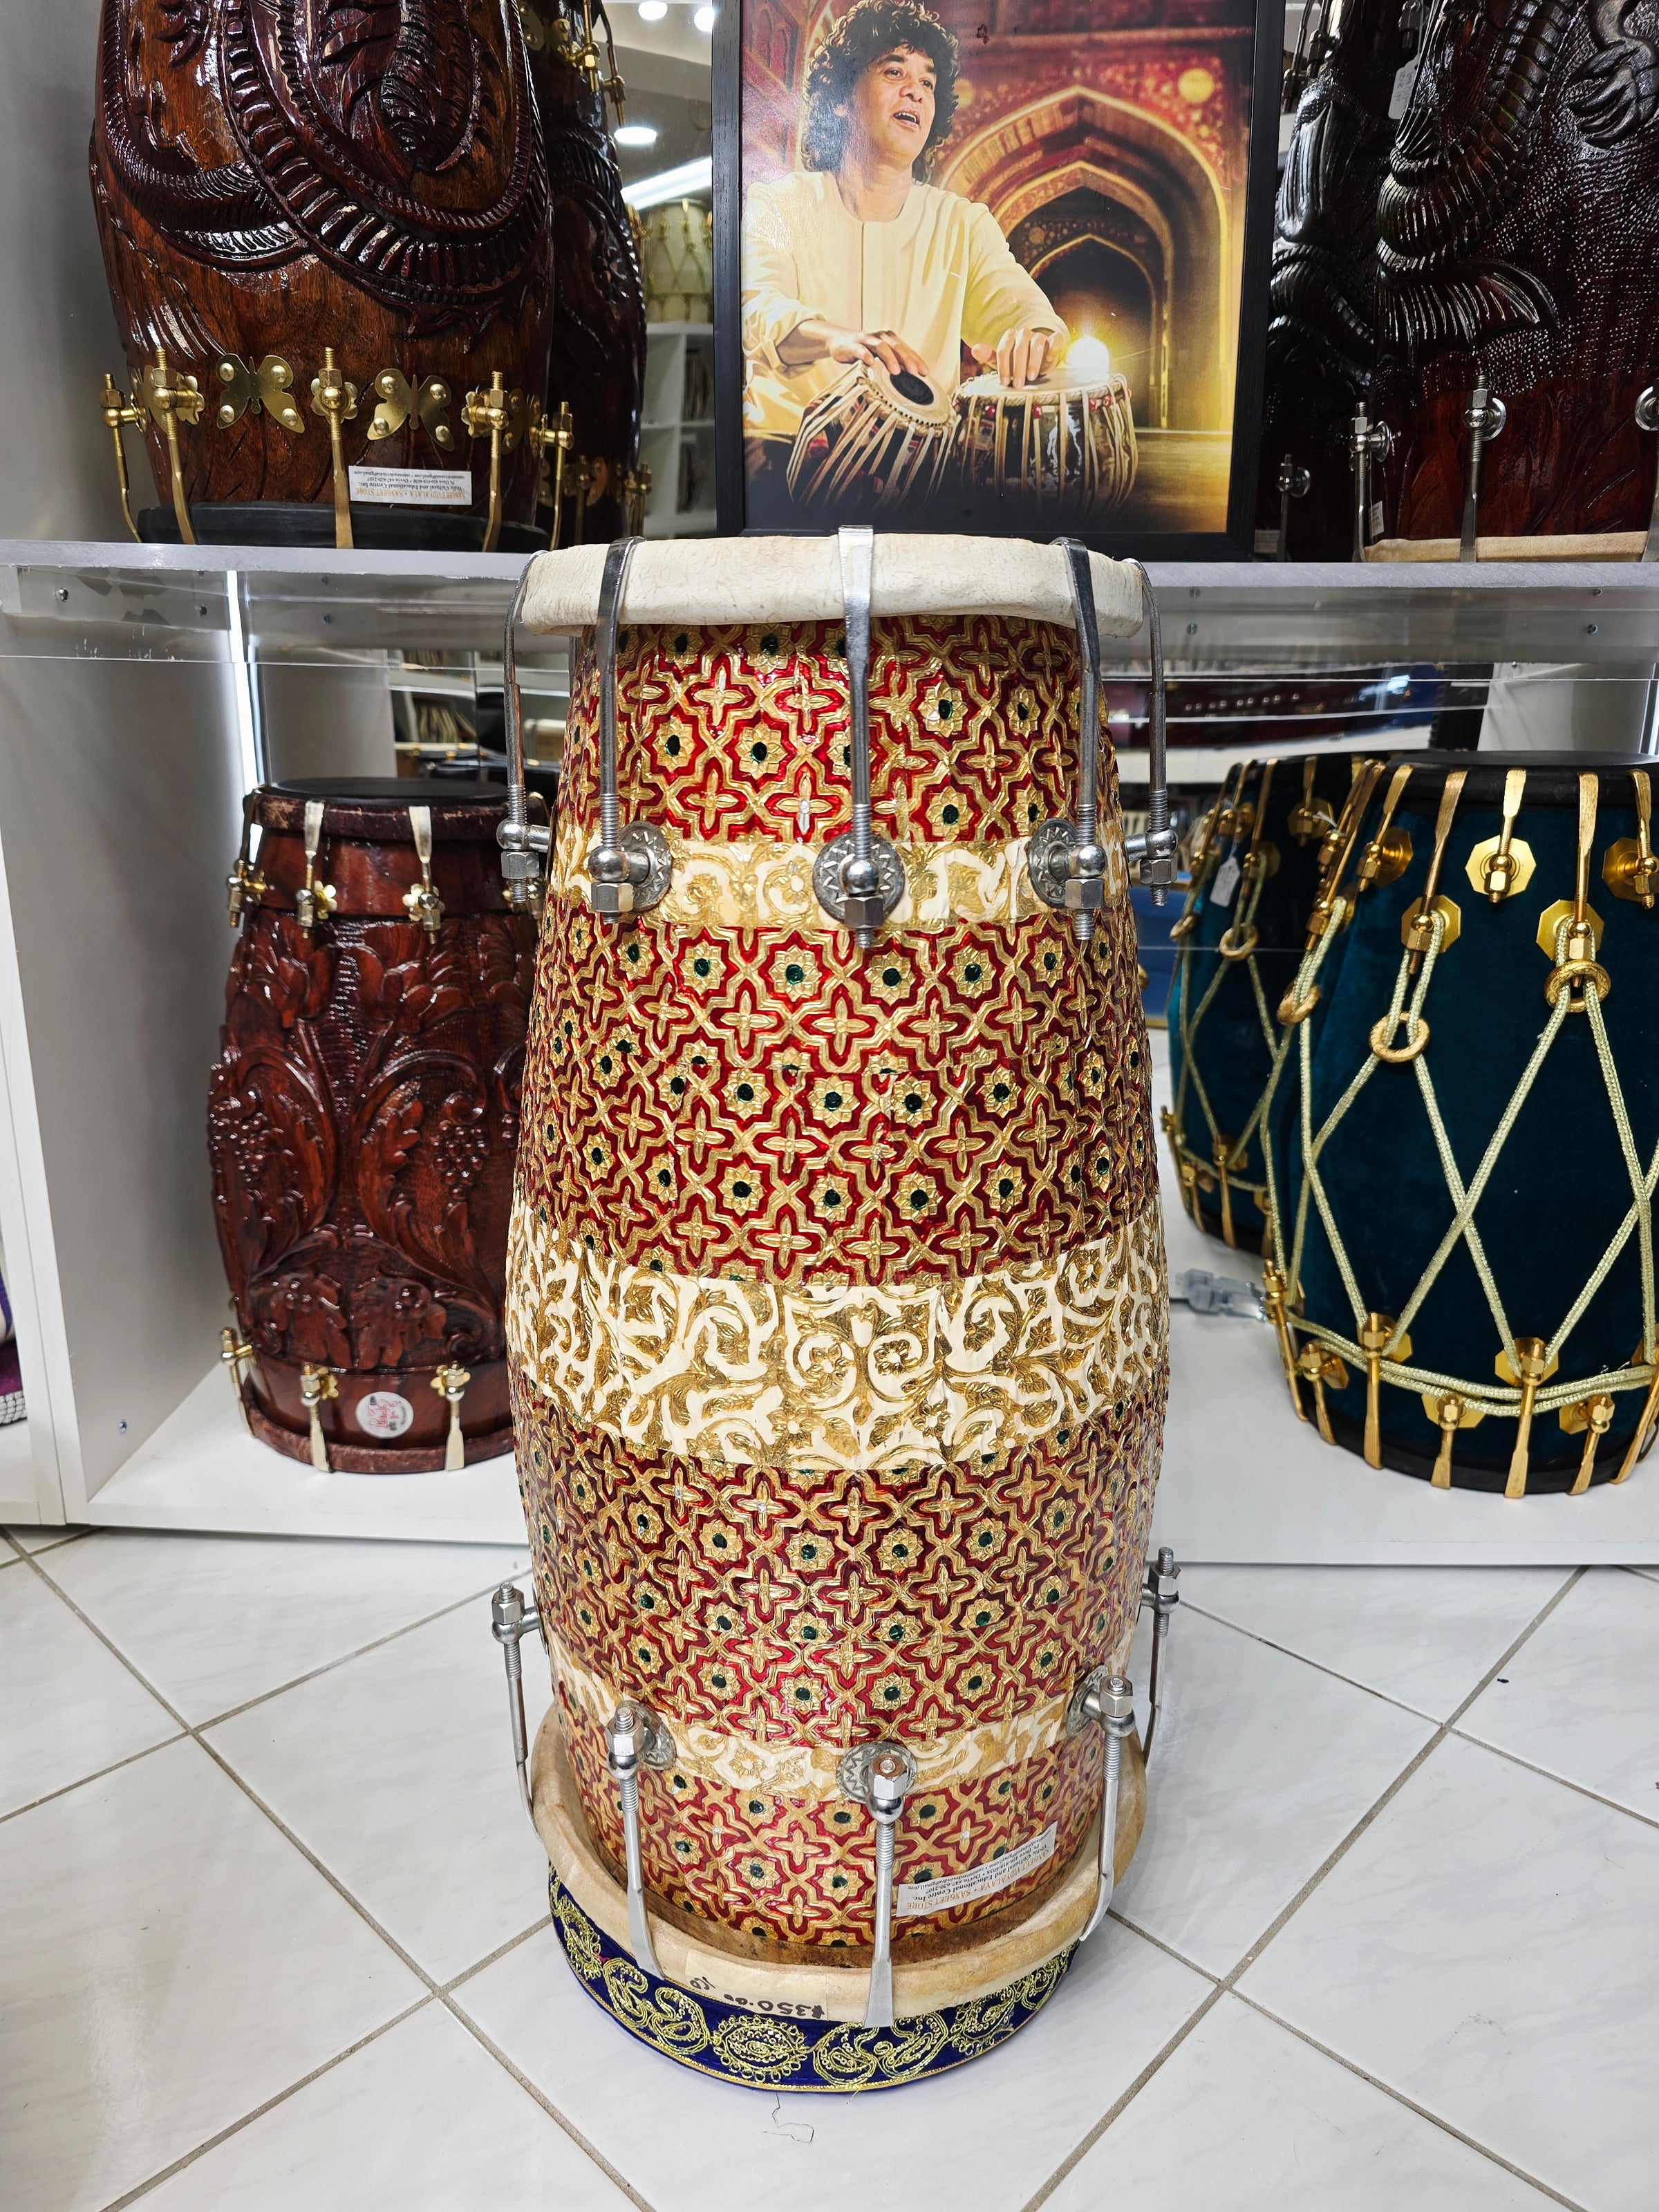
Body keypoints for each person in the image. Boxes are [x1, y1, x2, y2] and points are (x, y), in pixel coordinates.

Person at [742, 0, 1067, 509]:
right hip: (786, 459)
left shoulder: (962, 224)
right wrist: (839, 338)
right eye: (894, 72)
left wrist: (1034, 337)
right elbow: (757, 308)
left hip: (921, 471)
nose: (915, 90)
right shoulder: (779, 204)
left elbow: (1026, 313)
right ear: (842, 98)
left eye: (927, 82)